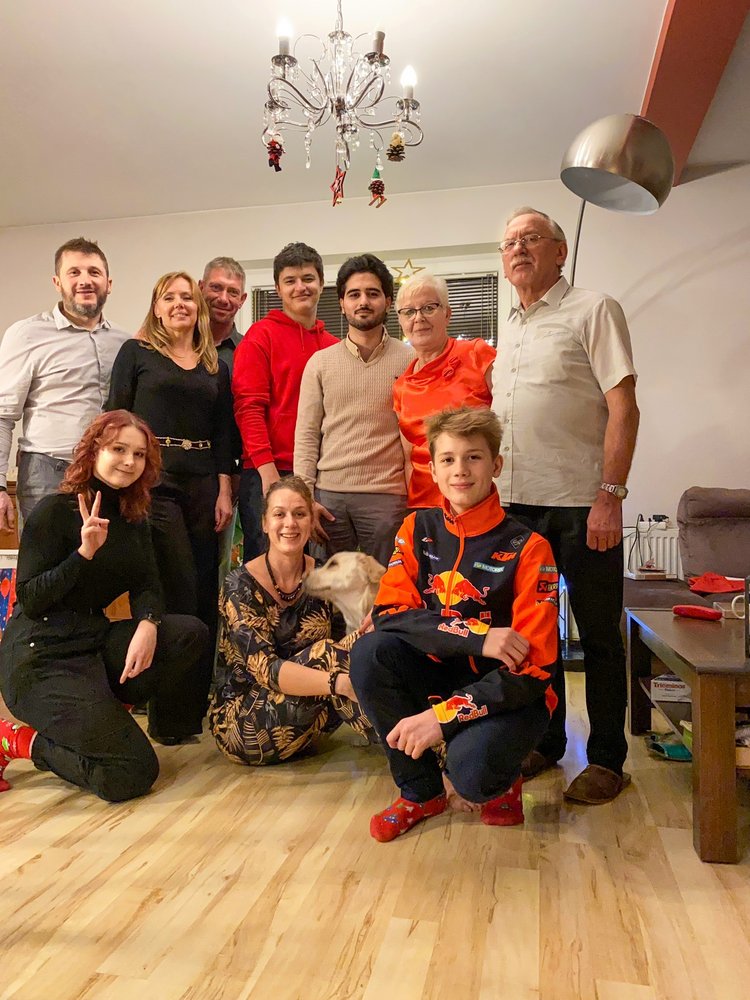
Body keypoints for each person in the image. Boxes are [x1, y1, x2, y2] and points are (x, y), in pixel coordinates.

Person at [350, 407, 558, 842]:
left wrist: (440, 720)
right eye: (447, 459)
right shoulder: (416, 527)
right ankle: (421, 792)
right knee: (370, 653)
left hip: (511, 695)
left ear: (496, 464)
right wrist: (479, 637)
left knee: (472, 771)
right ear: (433, 466)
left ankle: (502, 781)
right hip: (442, 671)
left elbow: (534, 668)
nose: (459, 470)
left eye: (473, 457)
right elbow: (389, 614)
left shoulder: (530, 547)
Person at [492, 206, 640, 804]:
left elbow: (624, 407)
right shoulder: (510, 327)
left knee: (599, 635)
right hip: (516, 511)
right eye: (510, 242)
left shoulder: (593, 309)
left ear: (560, 252)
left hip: (583, 505)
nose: (519, 248)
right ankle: (546, 742)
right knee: (533, 634)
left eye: (531, 238)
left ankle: (607, 758)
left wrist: (611, 495)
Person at [0, 410, 208, 802]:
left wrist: (148, 623)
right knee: (131, 773)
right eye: (118, 449)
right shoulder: (54, 511)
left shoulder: (132, 517)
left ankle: (105, 715)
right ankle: (19, 741)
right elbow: (30, 597)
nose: (129, 461)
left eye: (139, 454)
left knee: (187, 634)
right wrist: (83, 554)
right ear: (94, 450)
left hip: (90, 643)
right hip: (40, 658)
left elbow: (148, 583)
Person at [106, 272, 234, 721]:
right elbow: (114, 419)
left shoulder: (213, 363)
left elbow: (223, 431)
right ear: (156, 307)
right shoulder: (136, 353)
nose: (180, 304)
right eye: (169, 297)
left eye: (187, 297)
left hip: (203, 483)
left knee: (204, 590)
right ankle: (169, 713)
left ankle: (198, 707)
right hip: (155, 483)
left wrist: (223, 487)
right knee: (176, 585)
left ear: (198, 308)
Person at [209, 476, 373, 764]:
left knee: (372, 640)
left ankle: (425, 742)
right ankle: (422, 757)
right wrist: (339, 684)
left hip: (312, 714)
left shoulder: (324, 577)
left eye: (299, 514)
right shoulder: (239, 585)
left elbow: (348, 640)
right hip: (246, 724)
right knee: (330, 656)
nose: (290, 523)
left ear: (311, 522)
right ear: (264, 523)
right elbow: (267, 671)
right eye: (279, 514)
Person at [0, 237, 130, 530]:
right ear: (57, 282)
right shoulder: (26, 334)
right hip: (46, 475)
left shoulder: (125, 342)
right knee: (44, 570)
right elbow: (2, 415)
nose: (85, 281)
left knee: (104, 570)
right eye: (75, 272)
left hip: (109, 477)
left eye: (94, 273)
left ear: (108, 283)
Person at [294, 254, 413, 565]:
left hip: (388, 499)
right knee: (330, 598)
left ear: (388, 301)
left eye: (373, 293)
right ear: (342, 303)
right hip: (329, 499)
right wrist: (306, 497)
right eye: (354, 294)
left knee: (388, 593)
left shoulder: (411, 361)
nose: (364, 302)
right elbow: (306, 436)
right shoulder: (320, 363)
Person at [232, 242, 338, 560]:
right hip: (269, 471)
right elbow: (248, 409)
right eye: (290, 280)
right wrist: (269, 477)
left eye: (307, 278)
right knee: (269, 567)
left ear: (321, 282)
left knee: (315, 572)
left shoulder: (333, 346)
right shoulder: (259, 337)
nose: (300, 287)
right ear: (278, 288)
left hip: (320, 474)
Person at [393, 273, 496, 510]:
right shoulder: (402, 387)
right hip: (423, 505)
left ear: (447, 314)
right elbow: (409, 460)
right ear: (400, 321)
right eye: (409, 312)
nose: (418, 318)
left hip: (476, 500)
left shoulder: (477, 355)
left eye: (428, 308)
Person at [199, 256, 247, 580]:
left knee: (223, 569)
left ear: (243, 300)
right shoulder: (175, 348)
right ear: (201, 288)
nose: (223, 298)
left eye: (233, 292)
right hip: (180, 473)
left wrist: (229, 484)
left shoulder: (248, 351)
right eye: (216, 287)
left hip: (232, 478)